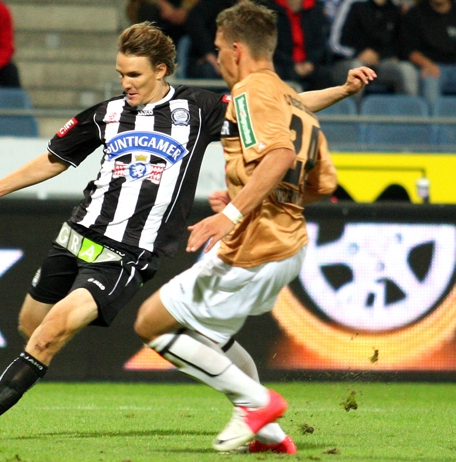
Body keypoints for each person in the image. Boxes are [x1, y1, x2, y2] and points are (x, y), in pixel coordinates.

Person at [0, 21, 375, 444]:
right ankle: (259, 413)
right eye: (121, 74)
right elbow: (53, 159)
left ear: (161, 70)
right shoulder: (106, 113)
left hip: (127, 252)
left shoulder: (200, 108)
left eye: (133, 75)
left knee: (48, 336)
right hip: (75, 235)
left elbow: (282, 109)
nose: (125, 83)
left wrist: (342, 91)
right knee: (31, 325)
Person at [133, 1, 339, 453]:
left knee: (151, 324)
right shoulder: (292, 100)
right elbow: (324, 182)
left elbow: (280, 157)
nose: (220, 58)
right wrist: (253, 193)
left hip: (258, 242)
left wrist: (231, 212)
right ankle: (269, 436)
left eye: (220, 49)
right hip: (289, 242)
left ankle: (256, 403)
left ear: (237, 49)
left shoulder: (250, 92)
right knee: (213, 337)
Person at [329, 0, 418, 98]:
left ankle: (409, 112)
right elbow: (334, 43)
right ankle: (353, 112)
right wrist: (358, 54)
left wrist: (382, 55)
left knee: (406, 70)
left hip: (383, 63)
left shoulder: (396, 9)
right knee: (358, 69)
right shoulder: (352, 4)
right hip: (348, 61)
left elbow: (401, 44)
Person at [399, 0, 456, 108]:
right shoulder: (415, 14)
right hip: (432, 67)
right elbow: (408, 49)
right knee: (430, 81)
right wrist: (426, 63)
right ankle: (433, 123)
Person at [268, 0, 334, 92]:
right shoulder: (269, 10)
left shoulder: (315, 9)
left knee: (326, 77)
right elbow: (269, 46)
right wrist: (293, 65)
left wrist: (310, 62)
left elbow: (320, 44)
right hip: (281, 65)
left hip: (311, 66)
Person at [183, 0, 237, 79]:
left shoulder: (258, 7)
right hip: (208, 59)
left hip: (242, 59)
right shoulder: (212, 4)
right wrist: (209, 55)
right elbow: (194, 23)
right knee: (208, 69)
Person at [126, 0, 198, 45]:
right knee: (148, 10)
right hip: (155, 9)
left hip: (186, 12)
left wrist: (185, 10)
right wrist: (162, 4)